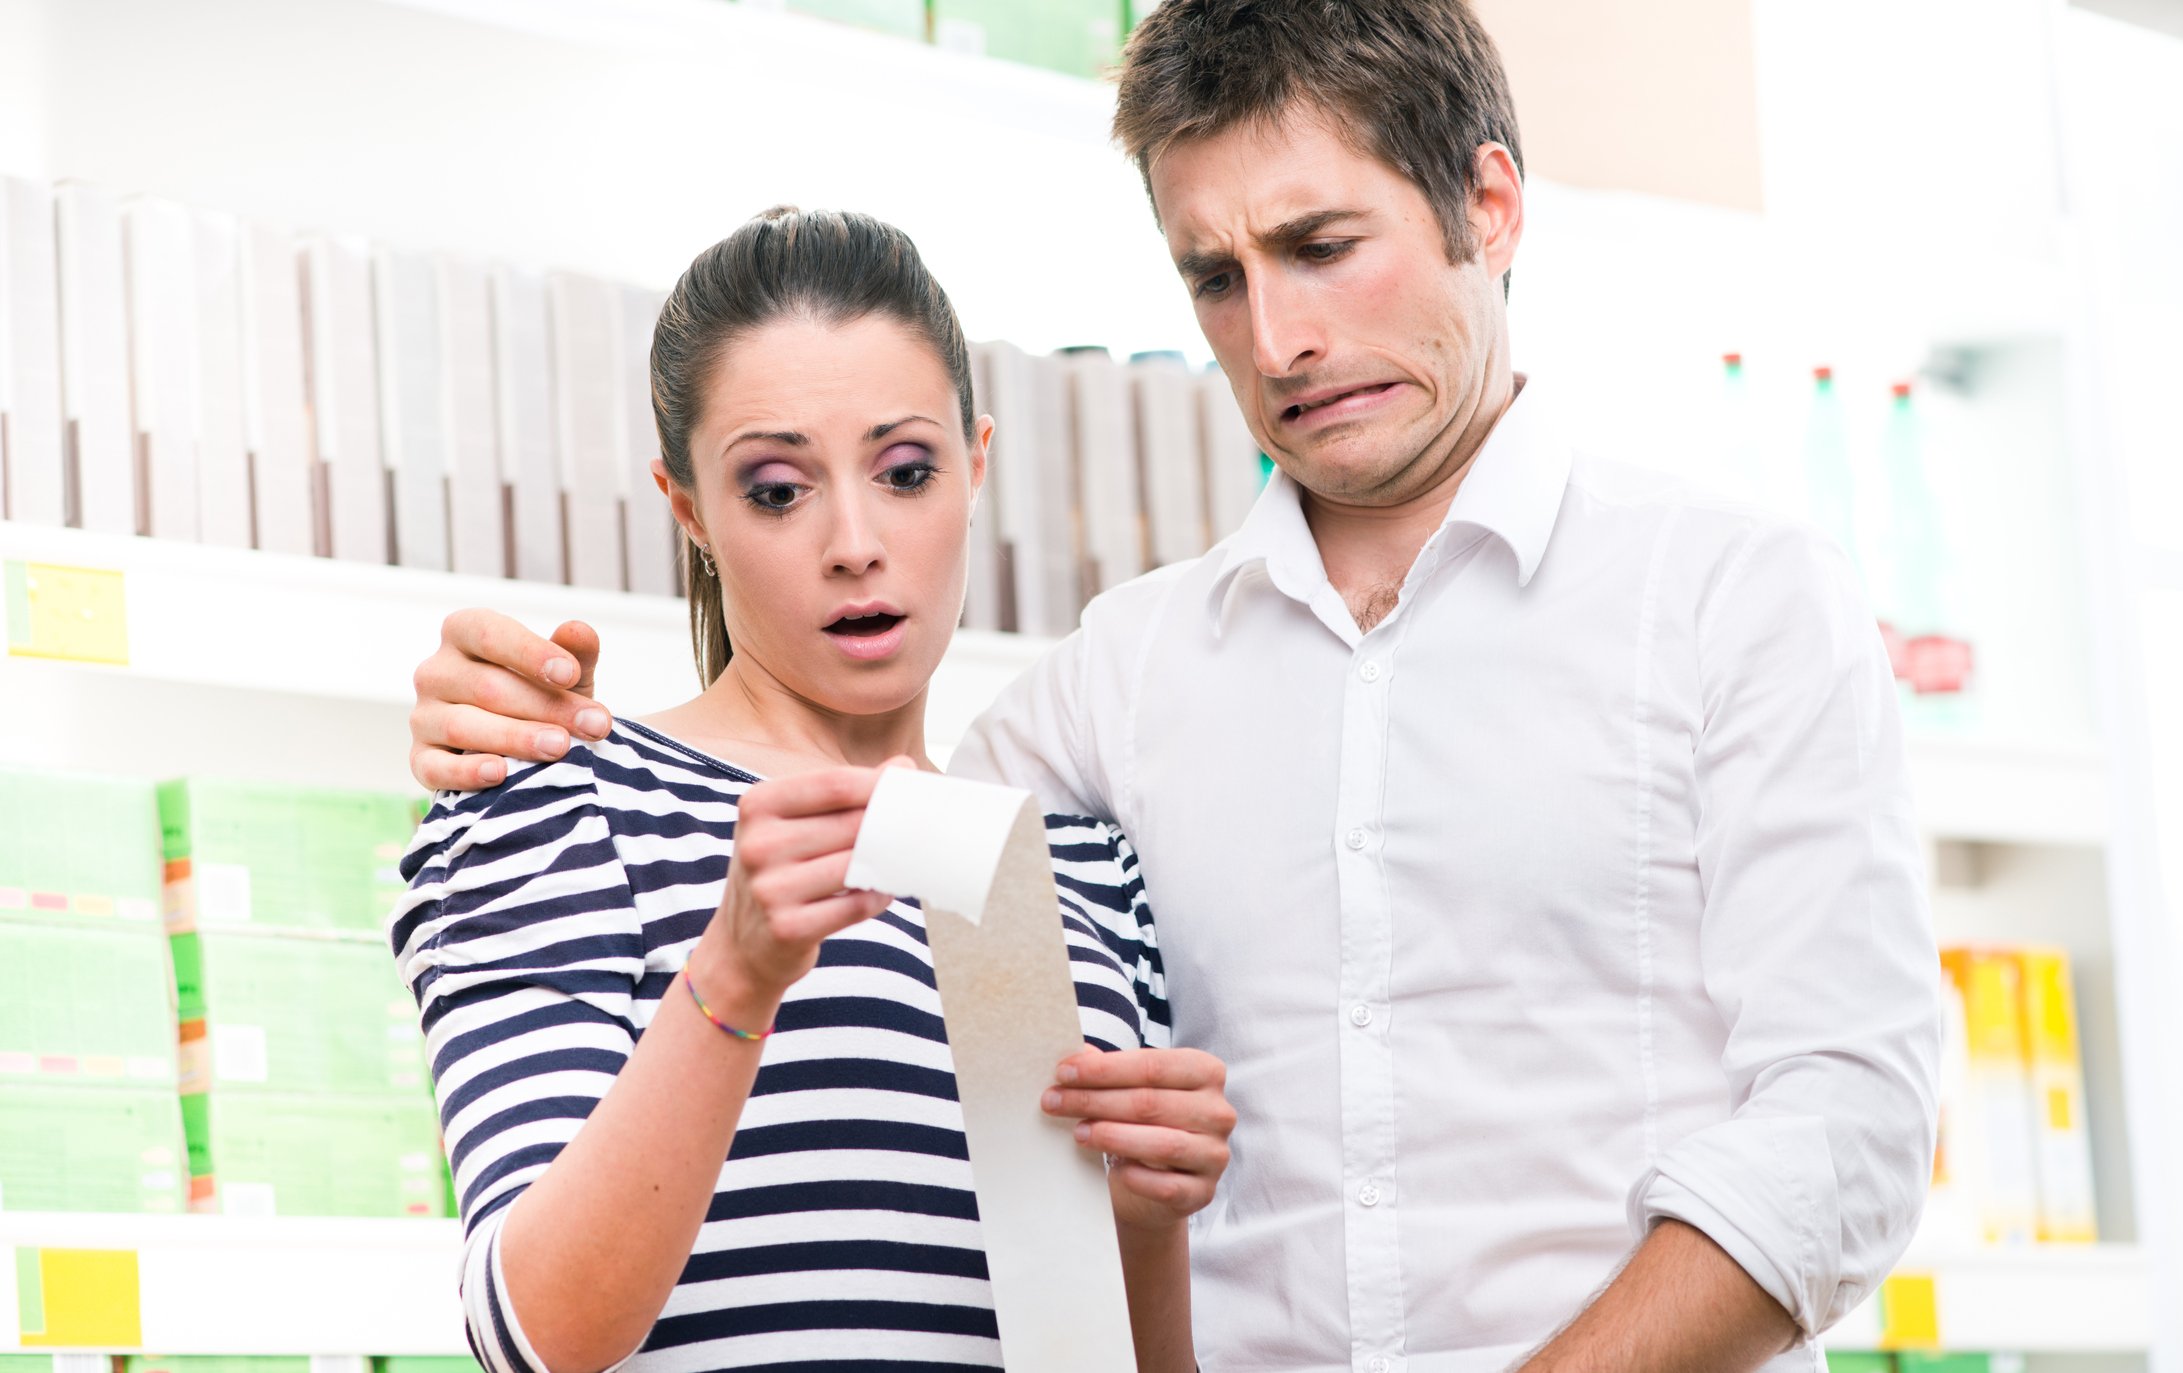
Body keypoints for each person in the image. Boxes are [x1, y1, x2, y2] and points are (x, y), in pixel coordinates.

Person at [407, 3, 1942, 1369]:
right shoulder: (1114, 692)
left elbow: (1849, 1123)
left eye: (1322, 246)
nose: (1276, 336)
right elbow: (847, 783)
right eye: (1214, 275)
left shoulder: (1730, 599)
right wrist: (507, 710)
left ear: (1488, 206)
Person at [392, 207, 1234, 1373]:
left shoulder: (1077, 872)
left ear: (975, 467)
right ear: (687, 506)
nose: (853, 541)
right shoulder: (559, 805)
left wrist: (1147, 1230)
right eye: (778, 489)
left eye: (903, 472)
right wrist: (730, 976)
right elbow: (533, 1330)